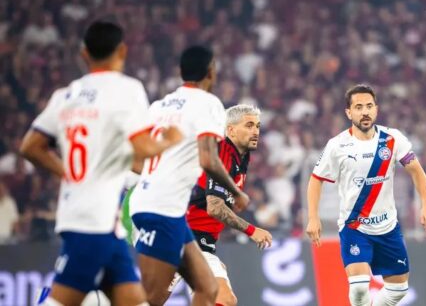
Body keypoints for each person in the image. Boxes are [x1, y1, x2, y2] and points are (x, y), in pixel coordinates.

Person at [19, 21, 182, 306]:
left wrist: (67, 173)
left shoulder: (65, 96)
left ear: (84, 54)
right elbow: (142, 147)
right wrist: (170, 140)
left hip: (98, 220)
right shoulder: (126, 90)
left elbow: (30, 147)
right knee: (59, 300)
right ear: (122, 50)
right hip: (92, 223)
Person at [128, 45, 250, 306]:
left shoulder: (158, 107)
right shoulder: (208, 104)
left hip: (162, 208)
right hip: (161, 209)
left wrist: (161, 174)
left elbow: (135, 161)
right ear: (210, 72)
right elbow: (208, 158)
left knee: (208, 289)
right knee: (149, 298)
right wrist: (236, 191)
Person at [305, 84, 426, 306]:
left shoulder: (393, 139)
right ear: (349, 112)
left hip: (387, 226)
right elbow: (315, 180)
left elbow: (417, 171)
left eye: (369, 106)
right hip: (354, 226)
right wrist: (313, 217)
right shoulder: (337, 145)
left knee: (399, 290)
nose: (364, 112)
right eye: (358, 107)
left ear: (376, 109)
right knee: (358, 289)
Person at [183, 104, 273, 306]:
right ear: (230, 129)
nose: (255, 131)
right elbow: (214, 207)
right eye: (249, 125)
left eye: (257, 126)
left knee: (221, 299)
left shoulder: (242, 157)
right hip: (181, 236)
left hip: (199, 242)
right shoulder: (223, 150)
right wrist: (251, 230)